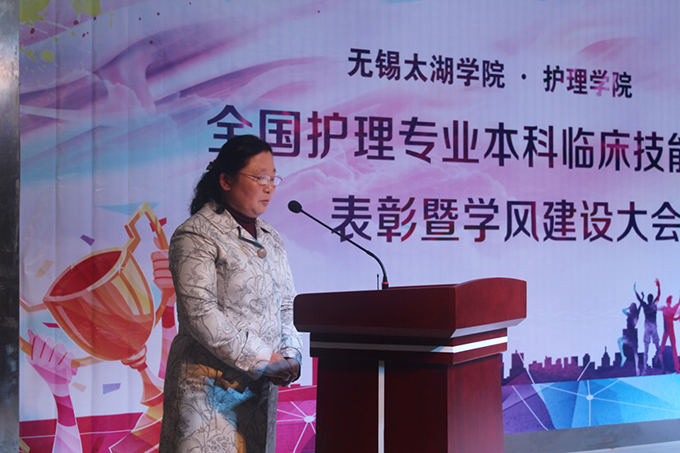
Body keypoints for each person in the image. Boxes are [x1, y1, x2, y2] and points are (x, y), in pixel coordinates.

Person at [159, 135, 303, 453]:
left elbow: (287, 304)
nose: (269, 187)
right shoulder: (195, 234)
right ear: (225, 180)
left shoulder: (271, 237)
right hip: (207, 391)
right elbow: (201, 315)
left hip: (260, 389)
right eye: (260, 177)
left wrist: (292, 354)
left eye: (273, 178)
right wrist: (264, 359)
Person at [635, 279, 661, 371]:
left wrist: (635, 291)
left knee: (648, 347)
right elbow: (659, 295)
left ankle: (647, 366)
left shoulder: (647, 305)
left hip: (649, 326)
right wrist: (658, 286)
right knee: (652, 346)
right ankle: (647, 365)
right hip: (651, 326)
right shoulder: (652, 305)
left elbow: (639, 299)